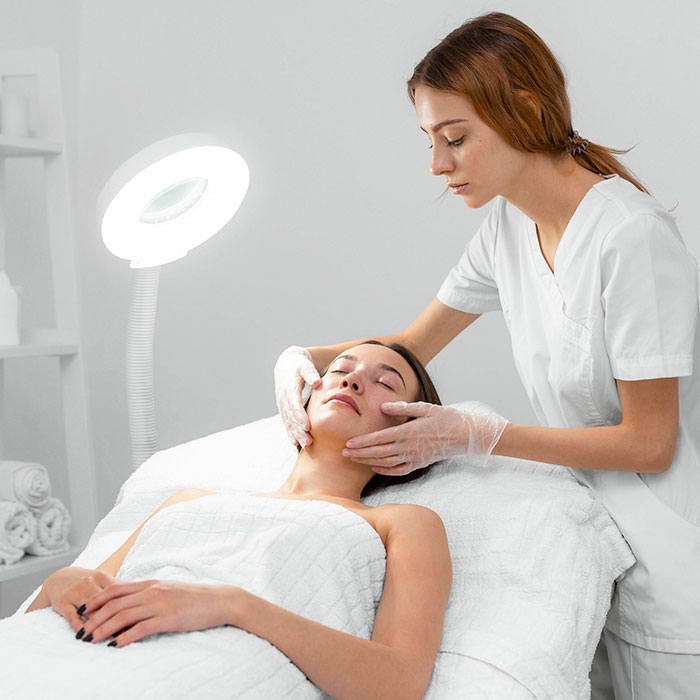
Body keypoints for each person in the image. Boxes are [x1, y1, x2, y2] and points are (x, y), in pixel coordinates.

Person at [273, 11, 700, 700]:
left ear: (524, 111)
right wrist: (300, 357)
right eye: (430, 141)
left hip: (675, 571)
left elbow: (649, 443)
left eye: (455, 138)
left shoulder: (630, 237)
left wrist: (478, 436)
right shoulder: (510, 222)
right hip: (592, 556)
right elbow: (409, 346)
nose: (437, 165)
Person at [21, 340, 452, 700]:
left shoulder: (401, 522)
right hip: (56, 654)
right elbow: (77, 595)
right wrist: (60, 581)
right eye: (340, 369)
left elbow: (400, 682)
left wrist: (232, 605)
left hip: (203, 673)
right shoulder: (188, 500)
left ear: (411, 430)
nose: (351, 380)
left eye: (385, 383)